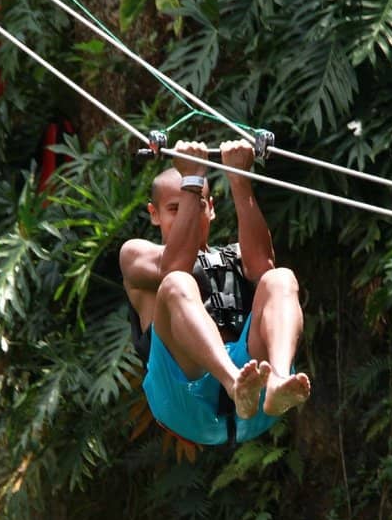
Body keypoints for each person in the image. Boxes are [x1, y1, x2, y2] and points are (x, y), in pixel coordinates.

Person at [121, 139, 311, 446]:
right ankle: (233, 382)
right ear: (154, 214)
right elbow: (174, 267)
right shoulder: (136, 255)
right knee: (177, 284)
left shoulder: (234, 255)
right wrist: (192, 181)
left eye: (197, 206)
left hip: (257, 392)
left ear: (210, 209)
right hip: (187, 400)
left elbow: (263, 266)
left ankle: (277, 380)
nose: (189, 213)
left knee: (280, 278)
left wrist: (239, 180)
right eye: (176, 208)